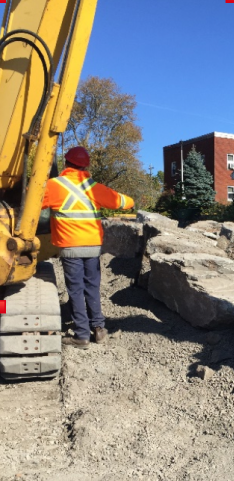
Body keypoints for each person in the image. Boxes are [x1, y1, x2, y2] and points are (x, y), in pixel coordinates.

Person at [41, 146, 135, 349]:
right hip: (92, 247)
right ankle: (99, 329)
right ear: (86, 165)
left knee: (75, 290)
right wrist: (129, 200)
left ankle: (82, 335)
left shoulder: (53, 185)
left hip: (70, 247)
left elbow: (33, 204)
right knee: (92, 287)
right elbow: (122, 201)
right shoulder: (94, 187)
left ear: (66, 163)